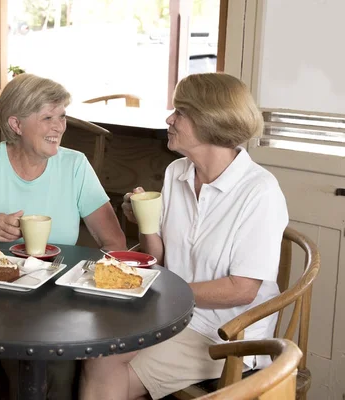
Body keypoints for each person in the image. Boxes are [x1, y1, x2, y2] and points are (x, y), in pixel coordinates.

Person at [80, 73, 289, 400]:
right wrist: (146, 220)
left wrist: (159, 293)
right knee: (96, 352)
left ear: (210, 122)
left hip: (223, 335)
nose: (169, 119)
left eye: (180, 112)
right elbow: (159, 258)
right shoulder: (177, 172)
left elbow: (242, 290)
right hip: (170, 317)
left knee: (103, 366)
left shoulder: (259, 191)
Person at [0, 73, 126, 251]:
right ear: (16, 125)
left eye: (62, 116)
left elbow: (116, 244)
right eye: (47, 118)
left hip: (58, 277)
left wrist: (90, 275)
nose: (59, 127)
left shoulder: (75, 165)